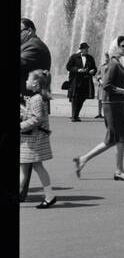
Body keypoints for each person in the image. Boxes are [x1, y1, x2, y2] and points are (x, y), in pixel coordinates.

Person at [74, 36, 124, 180]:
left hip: (116, 104)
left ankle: (86, 160)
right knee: (117, 138)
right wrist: (123, 91)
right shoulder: (113, 63)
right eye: (123, 46)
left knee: (117, 139)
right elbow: (106, 85)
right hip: (112, 105)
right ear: (116, 46)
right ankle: (117, 170)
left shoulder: (116, 62)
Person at [20, 69, 57, 207]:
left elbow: (36, 119)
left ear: (35, 83)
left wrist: (21, 125)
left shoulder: (36, 99)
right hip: (34, 139)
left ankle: (50, 196)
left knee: (26, 169)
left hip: (32, 140)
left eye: (28, 79)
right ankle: (49, 195)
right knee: (33, 167)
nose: (26, 81)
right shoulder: (38, 97)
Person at [64, 40, 97, 121]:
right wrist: (77, 70)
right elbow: (68, 67)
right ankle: (74, 116)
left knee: (82, 98)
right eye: (85, 49)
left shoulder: (90, 58)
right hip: (76, 80)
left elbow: (94, 68)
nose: (87, 50)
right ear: (81, 49)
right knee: (75, 98)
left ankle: (76, 115)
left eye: (87, 49)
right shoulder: (74, 57)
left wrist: (93, 71)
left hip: (86, 81)